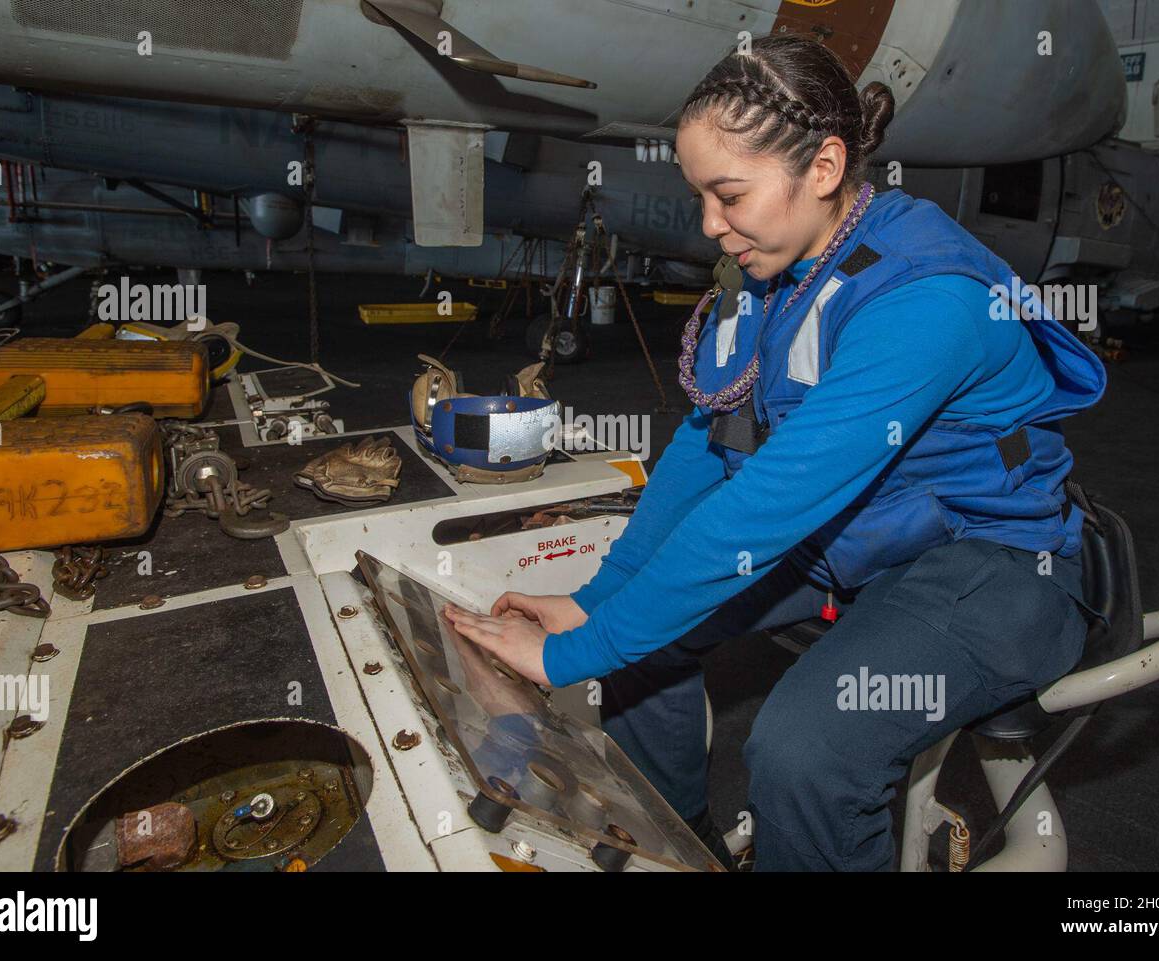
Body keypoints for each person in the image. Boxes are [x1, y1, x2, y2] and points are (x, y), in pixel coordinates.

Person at [443, 35, 1106, 871]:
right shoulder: (776, 269)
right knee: (642, 646)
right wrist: (597, 601)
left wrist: (565, 655)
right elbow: (708, 441)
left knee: (802, 749)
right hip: (869, 541)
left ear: (824, 167)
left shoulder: (929, 302)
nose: (712, 228)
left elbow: (767, 502)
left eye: (729, 195)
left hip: (994, 566)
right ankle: (679, 849)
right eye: (700, 198)